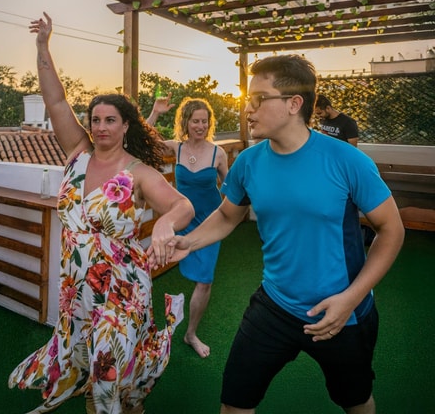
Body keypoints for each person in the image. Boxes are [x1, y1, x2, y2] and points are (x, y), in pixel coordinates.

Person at [152, 54, 405, 414]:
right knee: (234, 404)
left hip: (342, 313)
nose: (248, 109)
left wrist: (351, 298)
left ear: (293, 104)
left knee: (357, 403)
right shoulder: (248, 162)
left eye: (258, 99)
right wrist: (188, 242)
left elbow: (391, 230)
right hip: (275, 305)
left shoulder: (347, 161)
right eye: (247, 100)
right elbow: (227, 215)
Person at [8, 12, 194, 414]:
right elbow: (56, 100)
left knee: (107, 375)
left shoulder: (138, 173)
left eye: (111, 120)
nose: (101, 127)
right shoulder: (78, 154)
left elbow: (183, 206)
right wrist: (42, 45)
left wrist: (164, 223)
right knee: (93, 371)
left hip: (122, 290)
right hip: (77, 290)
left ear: (126, 126)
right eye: (95, 120)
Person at [146, 95, 228, 358]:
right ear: (186, 122)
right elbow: (143, 143)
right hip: (181, 220)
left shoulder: (218, 153)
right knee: (150, 263)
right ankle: (142, 327)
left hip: (208, 224)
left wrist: (225, 216)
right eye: (195, 121)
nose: (200, 126)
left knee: (204, 281)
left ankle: (190, 334)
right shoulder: (176, 148)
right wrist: (155, 113)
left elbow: (230, 189)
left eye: (204, 121)